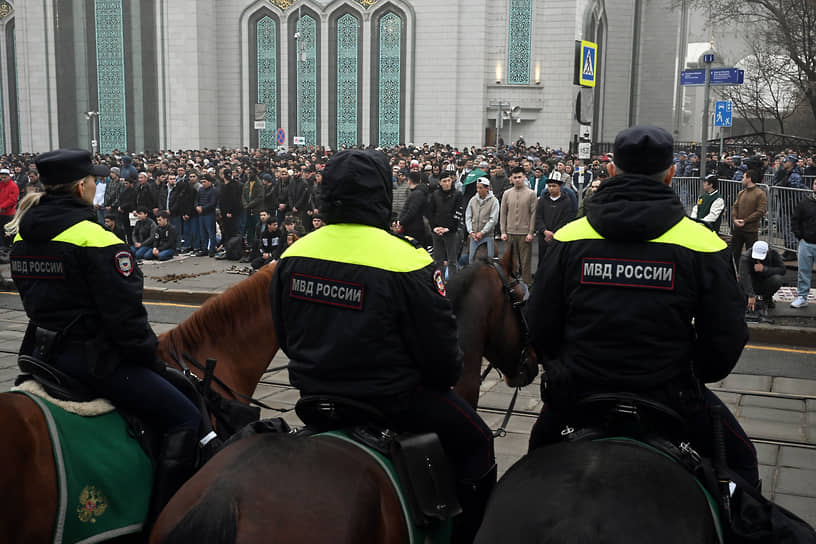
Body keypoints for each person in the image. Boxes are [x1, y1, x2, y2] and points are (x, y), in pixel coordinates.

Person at [269, 150, 495, 544]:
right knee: (478, 441)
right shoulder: (405, 260)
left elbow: (286, 336)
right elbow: (443, 364)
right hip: (393, 401)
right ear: (382, 194)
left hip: (314, 395)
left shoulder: (293, 254)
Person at [525, 126, 759, 488]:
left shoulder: (570, 237)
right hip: (670, 396)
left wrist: (566, 367)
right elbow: (726, 336)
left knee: (531, 470)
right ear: (670, 173)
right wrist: (694, 374)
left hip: (580, 395)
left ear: (613, 171)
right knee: (742, 464)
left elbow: (538, 324)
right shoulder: (703, 243)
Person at [5, 149, 215, 522]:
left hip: (42, 354)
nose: (96, 186)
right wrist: (150, 357)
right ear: (82, 187)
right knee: (184, 415)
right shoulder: (96, 240)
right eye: (94, 181)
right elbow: (126, 320)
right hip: (94, 360)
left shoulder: (23, 234)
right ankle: (165, 518)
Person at [500, 167, 537, 284]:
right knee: (511, 262)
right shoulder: (506, 193)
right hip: (510, 233)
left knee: (525, 263)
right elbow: (503, 213)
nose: (517, 180)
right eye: (515, 177)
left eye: (519, 177)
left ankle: (527, 286)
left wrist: (531, 232)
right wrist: (503, 231)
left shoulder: (531, 194)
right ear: (511, 179)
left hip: (525, 233)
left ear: (524, 177)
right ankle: (512, 286)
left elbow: (533, 214)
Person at [428, 170, 463, 281]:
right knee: (438, 260)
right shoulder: (435, 195)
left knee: (452, 260)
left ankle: (452, 284)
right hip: (437, 231)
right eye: (445, 181)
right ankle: (439, 282)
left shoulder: (457, 194)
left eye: (449, 180)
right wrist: (434, 227)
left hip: (451, 232)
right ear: (440, 182)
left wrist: (448, 228)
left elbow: (458, 213)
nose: (447, 183)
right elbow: (430, 213)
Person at [534, 177, 573, 268]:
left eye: (554, 186)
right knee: (542, 260)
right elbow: (538, 217)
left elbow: (566, 219)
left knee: (557, 261)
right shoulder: (543, 200)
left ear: (560, 187)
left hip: (559, 236)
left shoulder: (566, 201)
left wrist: (554, 233)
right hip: (543, 236)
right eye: (549, 186)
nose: (551, 188)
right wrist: (545, 231)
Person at [730, 169, 767, 264]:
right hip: (738, 229)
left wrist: (745, 221)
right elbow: (735, 207)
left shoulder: (760, 194)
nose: (742, 179)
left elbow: (760, 211)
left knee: (752, 257)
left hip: (751, 231)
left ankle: (751, 276)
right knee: (735, 254)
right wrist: (734, 219)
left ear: (749, 178)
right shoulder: (741, 193)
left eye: (743, 177)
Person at [790, 177, 816, 309]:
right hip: (806, 243)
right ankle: (802, 297)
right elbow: (795, 220)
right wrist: (799, 236)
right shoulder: (805, 202)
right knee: (803, 272)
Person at [739, 240, 785, 314]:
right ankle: (747, 299)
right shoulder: (746, 257)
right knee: (741, 283)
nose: (758, 259)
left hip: (766, 280)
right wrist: (751, 295)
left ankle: (766, 299)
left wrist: (765, 269)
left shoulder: (773, 253)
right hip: (752, 282)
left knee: (777, 279)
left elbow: (782, 270)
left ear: (767, 252)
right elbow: (744, 276)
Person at [464, 177, 499, 263]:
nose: (478, 190)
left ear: (487, 188)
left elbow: (493, 220)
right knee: (472, 260)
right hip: (474, 236)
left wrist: (482, 232)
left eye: (481, 188)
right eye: (477, 187)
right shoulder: (473, 200)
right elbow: (468, 216)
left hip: (487, 236)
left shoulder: (494, 201)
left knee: (488, 261)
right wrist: (471, 231)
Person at [0, 167, 19, 249]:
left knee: (8, 232)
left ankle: (7, 248)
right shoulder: (1, 185)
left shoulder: (13, 186)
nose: (3, 179)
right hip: (1, 212)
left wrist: (1, 206)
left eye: (5, 177)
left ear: (9, 176)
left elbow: (12, 200)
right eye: (1, 177)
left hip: (8, 213)